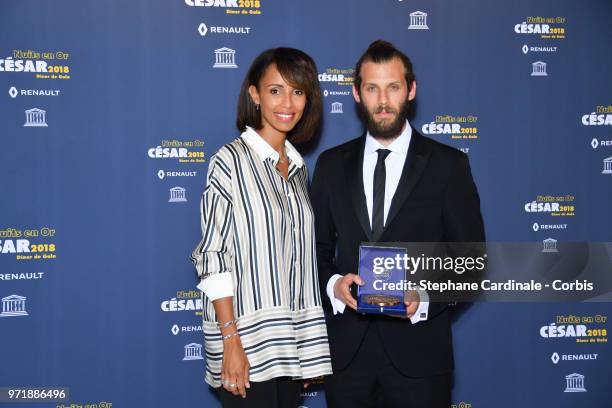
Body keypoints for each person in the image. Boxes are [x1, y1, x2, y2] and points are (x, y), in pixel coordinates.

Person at [311, 40, 485, 407]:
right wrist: (334, 285)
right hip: (348, 359)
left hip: (420, 357)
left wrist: (421, 297)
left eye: (393, 86)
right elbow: (316, 251)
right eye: (372, 88)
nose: (384, 100)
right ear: (357, 93)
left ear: (411, 89)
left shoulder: (448, 165)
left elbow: (471, 261)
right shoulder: (330, 165)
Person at [191, 47, 332, 408]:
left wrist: (305, 343)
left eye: (298, 91)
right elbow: (212, 254)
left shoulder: (299, 169)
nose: (288, 102)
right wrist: (231, 341)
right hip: (246, 348)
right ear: (254, 94)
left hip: (288, 348)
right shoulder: (230, 161)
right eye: (275, 90)